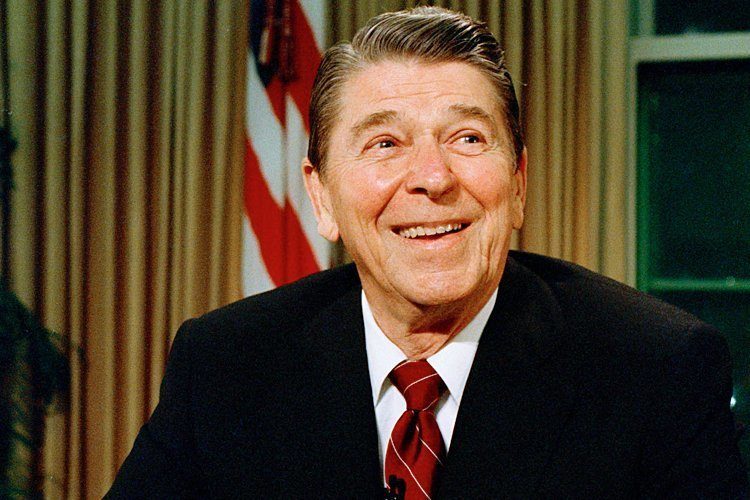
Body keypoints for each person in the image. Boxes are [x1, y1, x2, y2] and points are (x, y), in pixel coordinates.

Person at [107, 6, 748, 498]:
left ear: (518, 184)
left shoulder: (656, 371)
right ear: (321, 197)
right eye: (384, 144)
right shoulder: (226, 365)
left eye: (467, 138)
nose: (433, 178)